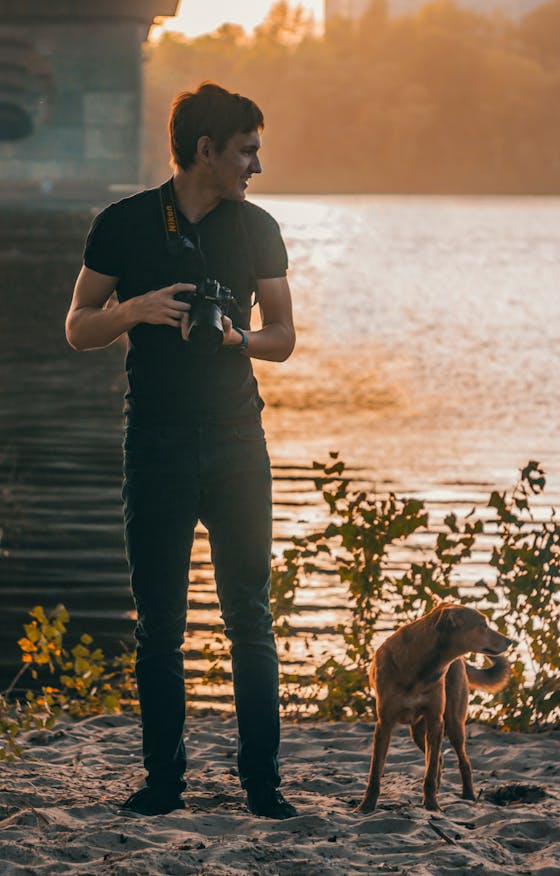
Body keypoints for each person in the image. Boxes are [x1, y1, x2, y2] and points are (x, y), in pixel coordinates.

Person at [65, 82, 297, 819]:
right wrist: (134, 309)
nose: (256, 165)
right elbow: (76, 325)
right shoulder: (124, 224)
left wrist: (237, 337)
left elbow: (284, 339)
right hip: (155, 445)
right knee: (158, 626)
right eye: (246, 150)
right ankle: (163, 785)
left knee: (249, 619)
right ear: (207, 150)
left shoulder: (257, 227)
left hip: (237, 443)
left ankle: (263, 786)